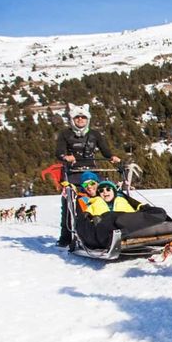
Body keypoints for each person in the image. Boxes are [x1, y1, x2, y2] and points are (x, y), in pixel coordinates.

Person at [55, 105, 120, 246]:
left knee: (108, 192)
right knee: (70, 202)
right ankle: (66, 237)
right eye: (77, 117)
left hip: (91, 172)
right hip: (72, 172)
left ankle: (111, 225)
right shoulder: (65, 134)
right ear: (72, 119)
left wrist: (112, 157)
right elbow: (59, 152)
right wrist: (65, 157)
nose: (80, 119)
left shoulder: (94, 134)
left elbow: (105, 150)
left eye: (83, 117)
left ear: (87, 119)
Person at [75, 181, 169, 249]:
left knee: (158, 211)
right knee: (107, 220)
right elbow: (86, 219)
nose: (105, 192)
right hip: (108, 224)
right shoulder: (94, 203)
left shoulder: (123, 200)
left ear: (114, 192)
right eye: (101, 191)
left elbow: (136, 212)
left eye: (108, 189)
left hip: (126, 220)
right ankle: (118, 235)